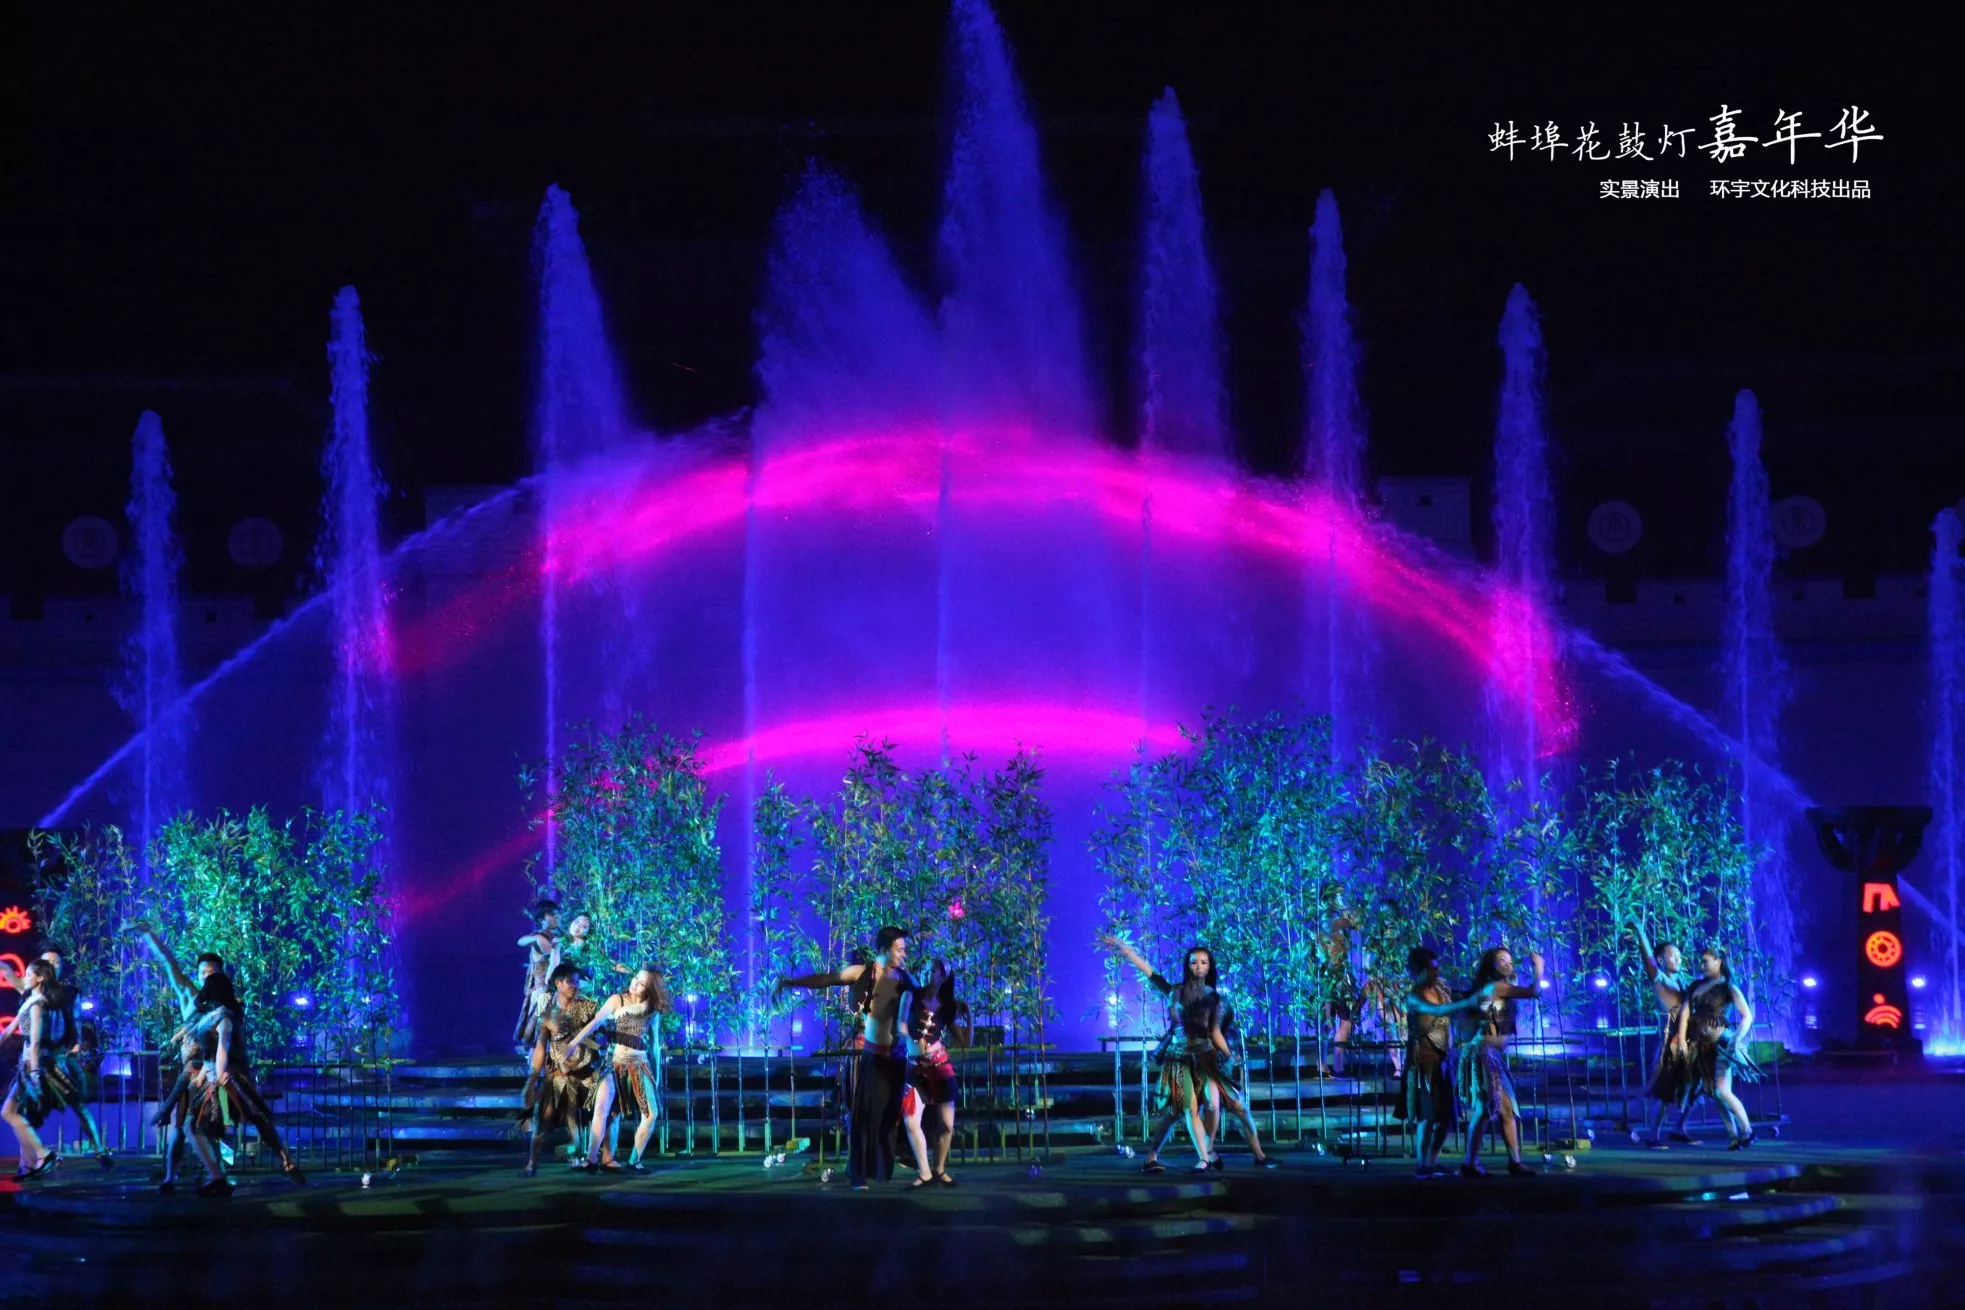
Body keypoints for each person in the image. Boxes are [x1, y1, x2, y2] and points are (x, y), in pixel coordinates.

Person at [1100, 934, 1276, 1172]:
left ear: (1209, 966)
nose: (1199, 966)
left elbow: (1216, 1032)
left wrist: (1230, 1055)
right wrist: (1128, 951)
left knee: (1224, 1105)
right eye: (1194, 962)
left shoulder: (1215, 998)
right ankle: (1167, 1157)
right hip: (1179, 1058)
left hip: (1208, 1059)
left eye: (1204, 962)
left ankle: (1222, 1153)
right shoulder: (1175, 991)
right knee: (1178, 1111)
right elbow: (1151, 973)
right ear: (1187, 965)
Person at [777, 926, 915, 1191]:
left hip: (896, 1059)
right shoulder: (864, 973)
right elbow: (827, 979)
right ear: (884, 950)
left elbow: (928, 998)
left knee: (889, 1118)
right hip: (874, 1057)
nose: (903, 954)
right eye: (899, 950)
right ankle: (858, 1174)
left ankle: (881, 1170)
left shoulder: (904, 979)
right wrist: (791, 983)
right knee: (865, 1117)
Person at [180, 970, 308, 1194]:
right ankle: (217, 1174)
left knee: (255, 1119)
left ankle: (282, 1160)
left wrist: (219, 1074)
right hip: (213, 1076)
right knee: (200, 1126)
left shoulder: (225, 1018)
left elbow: (222, 1048)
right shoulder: (212, 1017)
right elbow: (210, 1051)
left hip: (228, 1077)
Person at [138, 928, 221, 1191]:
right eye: (203, 973)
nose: (207, 977)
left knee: (207, 1127)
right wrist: (148, 934)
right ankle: (170, 1177)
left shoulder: (225, 1004)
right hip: (189, 1072)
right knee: (179, 1126)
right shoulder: (190, 996)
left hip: (210, 1074)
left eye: (212, 973)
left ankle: (216, 1175)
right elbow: (168, 962)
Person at [1399, 946, 1493, 1177]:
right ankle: (1422, 1163)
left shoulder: (1441, 989)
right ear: (1419, 971)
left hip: (1442, 1062)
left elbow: (1459, 999)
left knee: (1446, 1116)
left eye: (1436, 969)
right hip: (1422, 1063)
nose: (1436, 973)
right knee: (1427, 1115)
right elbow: (1439, 1010)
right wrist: (1467, 1003)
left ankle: (1432, 1160)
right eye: (1431, 969)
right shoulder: (1414, 996)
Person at [567, 966, 672, 1172]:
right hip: (613, 1063)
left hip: (639, 1064)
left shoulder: (652, 1010)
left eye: (641, 983)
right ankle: (591, 1159)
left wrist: (657, 1076)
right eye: (635, 979)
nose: (635, 984)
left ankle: (634, 1161)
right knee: (603, 1108)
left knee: (652, 1114)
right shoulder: (618, 1000)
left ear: (650, 988)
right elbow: (594, 1023)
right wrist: (573, 1043)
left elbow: (654, 1046)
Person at [1456, 946, 1546, 1178]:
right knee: (1496, 1108)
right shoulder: (1496, 987)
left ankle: (1482, 1162)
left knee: (1495, 1110)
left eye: (1509, 961)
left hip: (1493, 1056)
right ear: (1491, 966)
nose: (1508, 964)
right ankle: (1497, 1162)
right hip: (1485, 1054)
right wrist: (1539, 968)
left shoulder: (1500, 987)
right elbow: (1533, 991)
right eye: (1502, 961)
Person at [2, 961, 86, 1179]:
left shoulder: (39, 1004)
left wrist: (34, 1073)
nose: (25, 977)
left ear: (40, 978)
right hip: (28, 1063)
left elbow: (36, 1042)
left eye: (29, 974)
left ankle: (43, 1155)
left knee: (9, 1112)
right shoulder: (30, 1000)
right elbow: (9, 1030)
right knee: (12, 1113)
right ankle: (32, 1162)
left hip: (34, 1064)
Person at [518, 962, 600, 1176]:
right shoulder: (547, 1016)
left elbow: (598, 1041)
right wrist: (531, 1080)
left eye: (577, 981)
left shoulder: (588, 1008)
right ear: (558, 984)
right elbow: (540, 1048)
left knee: (602, 1113)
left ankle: (597, 1159)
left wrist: (582, 1044)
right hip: (557, 1074)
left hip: (584, 1072)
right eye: (571, 982)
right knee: (542, 1118)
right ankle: (531, 1164)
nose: (575, 985)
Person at [1681, 948, 1763, 1150]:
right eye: (1701, 961)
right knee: (1715, 1094)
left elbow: (1747, 1016)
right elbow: (1684, 1013)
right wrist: (1682, 1040)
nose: (1701, 965)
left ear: (1719, 962)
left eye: (1705, 961)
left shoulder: (1728, 987)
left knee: (1722, 1090)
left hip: (1723, 1046)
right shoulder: (1696, 986)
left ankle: (1748, 1131)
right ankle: (1734, 1137)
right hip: (1702, 1048)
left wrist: (1736, 1040)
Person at [1629, 919, 1698, 1148]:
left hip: (1689, 1040)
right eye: (1672, 955)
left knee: (1695, 1086)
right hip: (1672, 1042)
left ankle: (1679, 1127)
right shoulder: (1661, 979)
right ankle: (1653, 1135)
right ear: (1661, 960)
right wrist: (1641, 932)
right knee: (1665, 1090)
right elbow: (1648, 959)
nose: (1678, 959)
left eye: (1679, 955)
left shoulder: (1682, 980)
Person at [900, 960, 968, 1188]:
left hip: (939, 1066)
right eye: (925, 970)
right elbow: (900, 1025)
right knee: (910, 1120)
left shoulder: (946, 1006)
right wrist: (913, 1040)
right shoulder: (910, 996)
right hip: (915, 1066)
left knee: (947, 1125)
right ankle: (924, 1171)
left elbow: (965, 1041)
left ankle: (939, 1169)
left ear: (943, 977)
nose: (926, 974)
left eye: (932, 971)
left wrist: (969, 1015)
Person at [514, 899, 562, 1054]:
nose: (557, 917)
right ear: (542, 919)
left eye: (557, 914)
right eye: (552, 915)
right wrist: (536, 938)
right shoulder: (539, 936)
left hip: (558, 989)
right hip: (543, 992)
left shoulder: (559, 937)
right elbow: (520, 941)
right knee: (539, 1033)